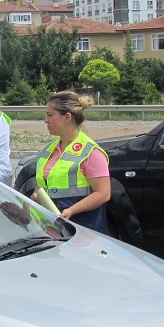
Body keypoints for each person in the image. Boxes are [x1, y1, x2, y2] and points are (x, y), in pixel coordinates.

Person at [33, 91, 111, 234]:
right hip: (54, 229)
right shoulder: (48, 150)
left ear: (67, 117)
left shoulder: (91, 152)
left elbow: (103, 193)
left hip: (85, 231)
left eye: (50, 115)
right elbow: (43, 185)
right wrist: (36, 196)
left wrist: (71, 210)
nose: (45, 120)